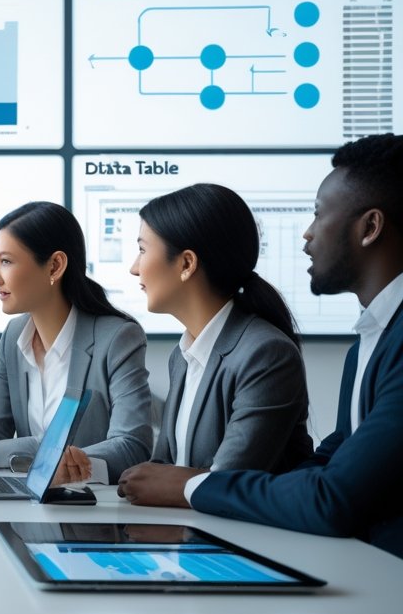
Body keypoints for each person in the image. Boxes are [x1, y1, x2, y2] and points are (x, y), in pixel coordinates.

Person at [119, 134, 403, 560]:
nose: (307, 234)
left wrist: (187, 484)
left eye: (318, 214)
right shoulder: (367, 342)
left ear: (370, 228)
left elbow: (332, 497)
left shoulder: (267, 351)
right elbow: (327, 465)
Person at [0, 201, 152, 484]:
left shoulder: (118, 337)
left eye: (6, 261)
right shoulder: (14, 336)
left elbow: (131, 445)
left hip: (92, 505)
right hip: (28, 496)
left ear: (55, 266)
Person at [130, 182, 313, 474]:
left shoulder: (265, 354)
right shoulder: (183, 356)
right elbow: (163, 466)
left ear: (187, 263)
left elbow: (228, 480)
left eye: (142, 250)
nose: (134, 268)